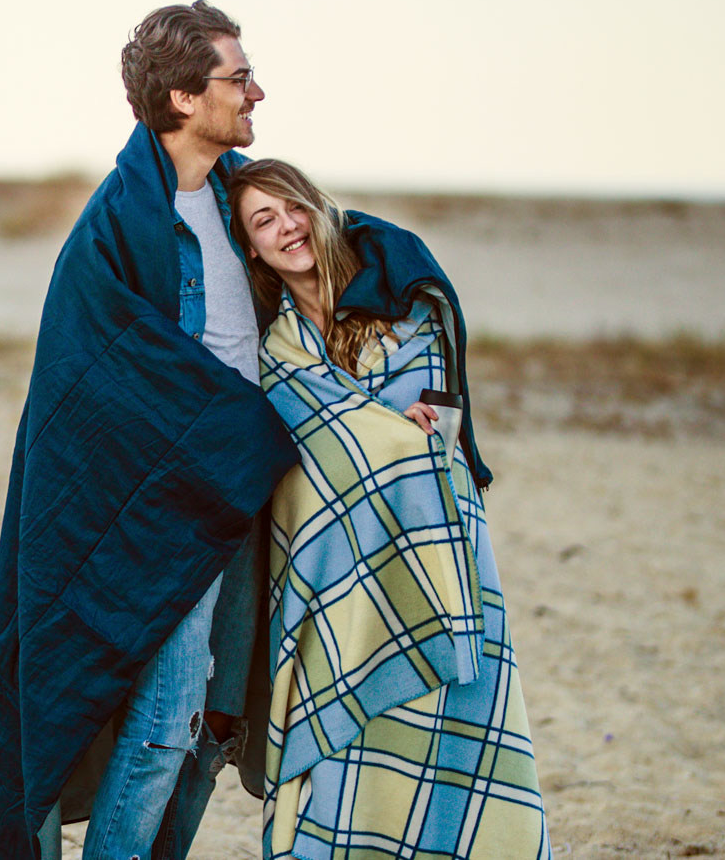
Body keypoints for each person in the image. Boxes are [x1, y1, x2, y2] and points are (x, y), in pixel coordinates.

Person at [0, 1, 298, 860]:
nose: (256, 89)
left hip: (239, 495)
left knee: (217, 716)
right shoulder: (117, 226)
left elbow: (347, 262)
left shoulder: (249, 205)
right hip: (163, 507)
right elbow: (92, 382)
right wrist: (237, 424)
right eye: (237, 76)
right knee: (167, 710)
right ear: (185, 98)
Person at [228, 158, 549, 860]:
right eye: (264, 220)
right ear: (250, 246)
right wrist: (396, 437)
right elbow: (317, 453)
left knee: (453, 722)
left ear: (319, 208)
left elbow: (439, 415)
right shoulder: (277, 347)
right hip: (336, 575)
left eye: (293, 208)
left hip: (437, 550)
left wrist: (428, 425)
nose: (287, 227)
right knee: (350, 745)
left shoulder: (401, 302)